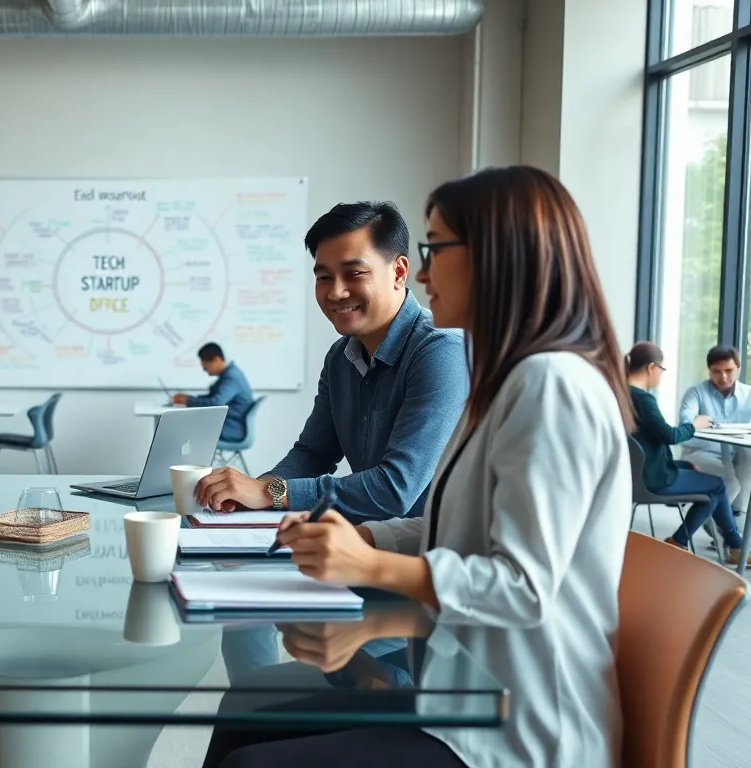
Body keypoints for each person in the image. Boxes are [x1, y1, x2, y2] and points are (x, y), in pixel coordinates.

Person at [208, 166, 638, 767]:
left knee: (250, 762)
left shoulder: (550, 387)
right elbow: (451, 525)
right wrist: (362, 537)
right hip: (460, 692)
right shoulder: (511, 379)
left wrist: (371, 563)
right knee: (242, 712)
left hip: (517, 732)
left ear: (498, 257)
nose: (426, 270)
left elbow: (522, 587)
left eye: (436, 249)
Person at [195, 201, 467, 522]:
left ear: (398, 272)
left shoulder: (441, 351)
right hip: (364, 541)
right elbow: (314, 452)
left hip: (424, 557)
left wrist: (271, 495)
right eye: (323, 277)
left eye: (354, 273)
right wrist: (258, 489)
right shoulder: (340, 356)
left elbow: (395, 489)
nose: (336, 292)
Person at [626, 341, 751, 564]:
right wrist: (695, 424)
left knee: (709, 483)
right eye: (662, 370)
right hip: (653, 477)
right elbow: (670, 436)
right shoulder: (644, 399)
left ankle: (733, 544)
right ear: (651, 368)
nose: (661, 376)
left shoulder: (622, 394)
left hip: (637, 473)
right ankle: (688, 540)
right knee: (716, 486)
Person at [679, 345, 751, 512]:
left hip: (734, 453)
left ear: (739, 369)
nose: (723, 377)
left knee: (750, 456)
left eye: (729, 370)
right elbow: (687, 422)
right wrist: (695, 422)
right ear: (709, 370)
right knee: (730, 483)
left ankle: (736, 515)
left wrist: (708, 422)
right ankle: (714, 524)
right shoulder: (696, 393)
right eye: (716, 371)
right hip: (701, 452)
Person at [172, 342, 254, 443]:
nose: (204, 370)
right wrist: (188, 399)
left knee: (184, 427)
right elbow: (213, 398)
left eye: (205, 367)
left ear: (216, 360)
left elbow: (216, 403)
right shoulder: (229, 374)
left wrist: (189, 400)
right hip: (229, 425)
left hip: (232, 428)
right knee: (186, 425)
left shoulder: (232, 377)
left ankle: (196, 459)